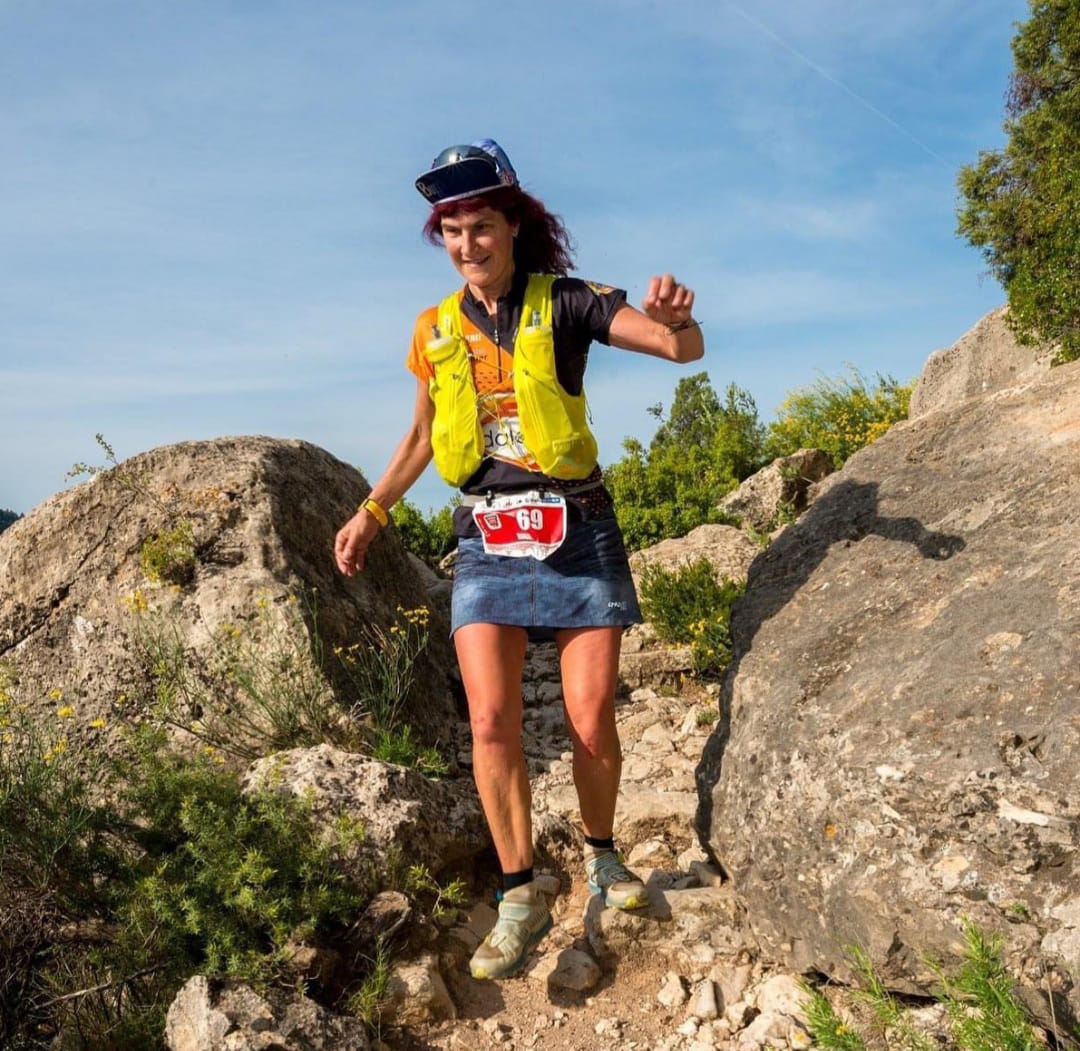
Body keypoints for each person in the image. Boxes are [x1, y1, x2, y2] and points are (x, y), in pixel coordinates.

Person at [334, 139, 704, 980]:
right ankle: (520, 892)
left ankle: (605, 861)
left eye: (483, 227)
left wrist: (679, 318)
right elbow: (424, 436)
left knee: (589, 713)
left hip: (578, 528)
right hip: (487, 538)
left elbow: (680, 351)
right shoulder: (432, 330)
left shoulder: (567, 300)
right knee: (493, 721)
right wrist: (371, 510)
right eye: (453, 231)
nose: (469, 244)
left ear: (513, 226)